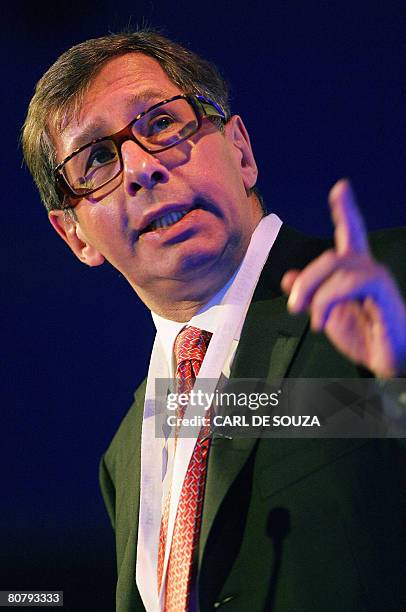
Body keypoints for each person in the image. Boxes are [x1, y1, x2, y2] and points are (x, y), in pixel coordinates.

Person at [22, 30, 406, 612]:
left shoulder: (390, 292)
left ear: (241, 151)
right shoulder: (124, 453)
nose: (139, 169)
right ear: (74, 235)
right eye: (97, 157)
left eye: (161, 124)